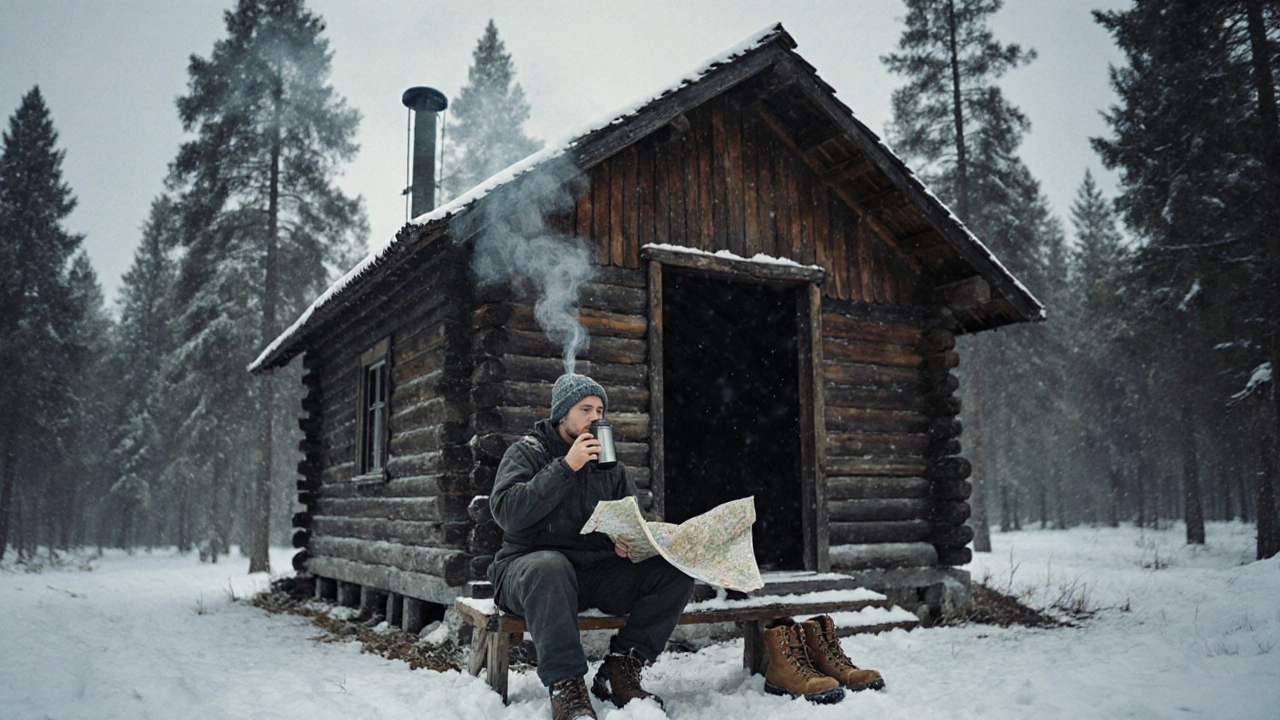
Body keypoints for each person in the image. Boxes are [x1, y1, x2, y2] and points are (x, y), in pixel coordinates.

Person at [488, 373, 696, 720]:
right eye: (585, 409)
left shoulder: (611, 465)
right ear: (562, 414)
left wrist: (628, 543)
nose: (596, 417)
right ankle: (566, 685)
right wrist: (566, 467)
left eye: (600, 409)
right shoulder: (527, 452)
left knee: (674, 570)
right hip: (527, 574)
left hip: (593, 574)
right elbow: (508, 513)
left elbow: (632, 519)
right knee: (549, 566)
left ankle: (620, 669)